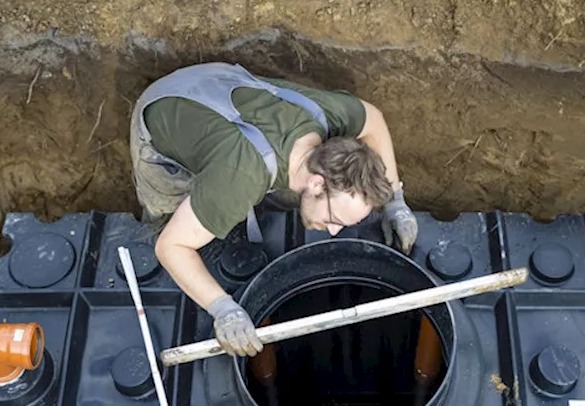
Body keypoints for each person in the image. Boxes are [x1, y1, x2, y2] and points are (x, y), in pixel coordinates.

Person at [129, 62, 418, 358]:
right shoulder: (241, 177)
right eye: (334, 219)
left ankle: (208, 198)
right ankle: (177, 212)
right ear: (318, 184)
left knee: (227, 183)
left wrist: (395, 202)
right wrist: (224, 309)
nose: (334, 231)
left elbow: (374, 120)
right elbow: (171, 247)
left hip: (220, 87)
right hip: (166, 109)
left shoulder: (327, 117)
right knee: (169, 213)